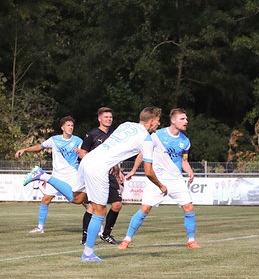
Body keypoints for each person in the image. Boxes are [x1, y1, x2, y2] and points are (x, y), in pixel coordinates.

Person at [22, 106, 167, 262]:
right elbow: (149, 171)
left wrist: (115, 164)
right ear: (151, 121)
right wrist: (161, 186)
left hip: (88, 160)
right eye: (158, 121)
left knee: (77, 199)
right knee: (99, 210)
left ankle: (43, 175)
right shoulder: (146, 139)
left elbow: (115, 146)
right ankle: (88, 253)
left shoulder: (126, 124)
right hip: (98, 168)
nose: (158, 124)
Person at [119, 108, 199, 249]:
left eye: (186, 119)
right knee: (144, 209)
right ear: (173, 120)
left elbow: (184, 161)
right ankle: (126, 240)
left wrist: (190, 171)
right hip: (157, 180)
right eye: (182, 119)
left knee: (189, 207)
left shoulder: (185, 141)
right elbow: (143, 153)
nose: (186, 121)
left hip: (176, 180)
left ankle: (191, 240)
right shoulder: (157, 135)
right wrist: (133, 170)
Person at [16, 116, 84, 233]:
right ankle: (40, 227)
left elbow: (84, 155)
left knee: (82, 201)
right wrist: (25, 149)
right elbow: (40, 146)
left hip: (72, 175)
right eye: (68, 125)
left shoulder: (78, 141)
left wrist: (80, 152)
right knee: (45, 200)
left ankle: (99, 228)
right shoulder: (54, 140)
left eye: (72, 125)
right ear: (62, 127)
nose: (70, 127)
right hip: (57, 176)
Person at [78, 107, 124, 245]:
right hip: (96, 175)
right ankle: (85, 238)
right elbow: (82, 153)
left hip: (110, 174)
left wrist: (119, 171)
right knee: (93, 207)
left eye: (110, 117)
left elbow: (115, 155)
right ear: (99, 119)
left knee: (117, 205)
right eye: (106, 117)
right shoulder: (91, 134)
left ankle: (106, 234)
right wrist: (94, 163)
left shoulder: (114, 135)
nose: (109, 119)